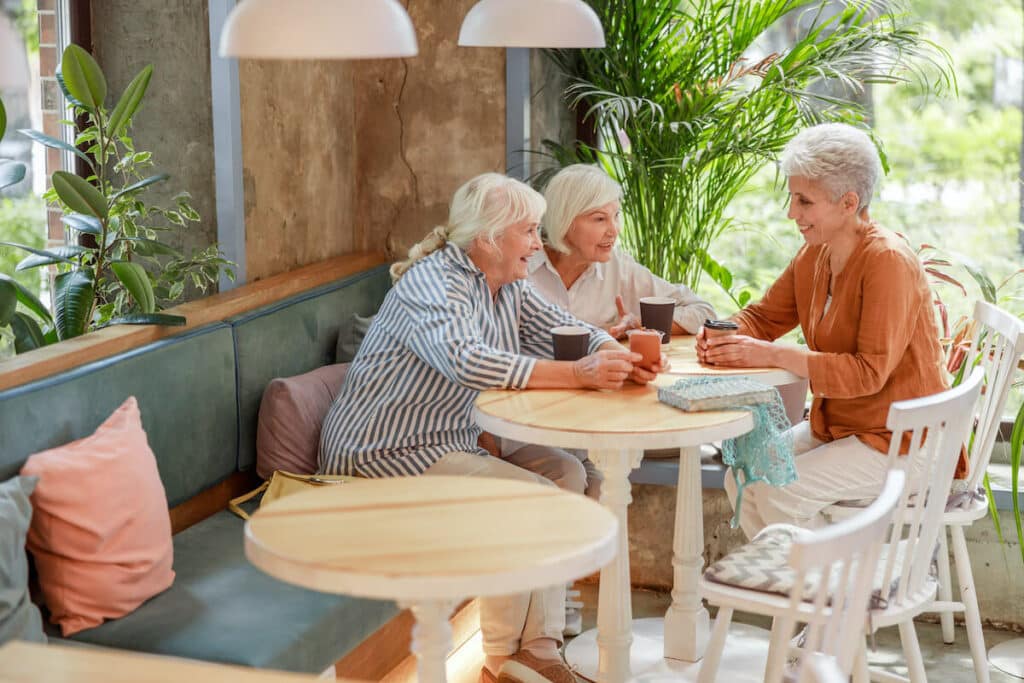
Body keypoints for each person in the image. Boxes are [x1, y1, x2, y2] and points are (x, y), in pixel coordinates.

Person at [319, 172, 663, 683]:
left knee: (566, 475)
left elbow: (564, 328)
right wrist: (575, 374)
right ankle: (501, 659)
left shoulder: (506, 284)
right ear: (487, 238)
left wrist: (613, 352)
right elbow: (467, 360)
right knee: (527, 497)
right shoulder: (435, 283)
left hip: (450, 440)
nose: (536, 243)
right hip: (382, 450)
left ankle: (540, 648)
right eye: (527, 231)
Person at [697, 122, 955, 540]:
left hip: (907, 440)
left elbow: (868, 373)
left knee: (783, 491)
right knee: (743, 475)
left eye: (804, 201)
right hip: (845, 426)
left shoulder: (888, 262)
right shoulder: (815, 252)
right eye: (792, 198)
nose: (791, 213)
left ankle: (834, 596)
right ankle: (806, 598)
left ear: (848, 202)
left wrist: (773, 355)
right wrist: (724, 333)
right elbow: (764, 318)